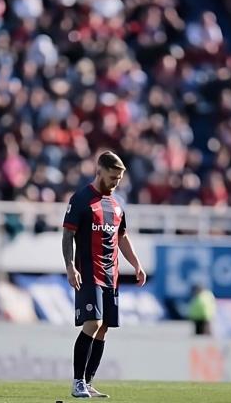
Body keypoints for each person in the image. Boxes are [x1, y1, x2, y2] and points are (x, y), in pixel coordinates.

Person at [62, 151, 147, 398]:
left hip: (112, 275)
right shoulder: (81, 199)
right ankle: (77, 381)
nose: (115, 183)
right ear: (99, 171)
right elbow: (68, 235)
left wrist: (137, 265)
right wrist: (70, 266)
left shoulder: (117, 203)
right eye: (112, 177)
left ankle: (87, 382)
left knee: (104, 328)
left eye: (119, 179)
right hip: (89, 273)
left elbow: (121, 236)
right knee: (94, 322)